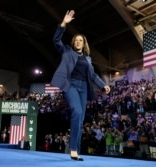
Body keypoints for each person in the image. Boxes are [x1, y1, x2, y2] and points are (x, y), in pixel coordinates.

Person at [51, 10, 111, 161]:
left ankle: (76, 150)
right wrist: (63, 23)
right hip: (70, 85)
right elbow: (56, 40)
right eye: (76, 40)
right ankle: (72, 149)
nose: (78, 41)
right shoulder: (66, 51)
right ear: (73, 42)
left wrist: (104, 85)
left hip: (84, 88)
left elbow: (93, 75)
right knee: (76, 112)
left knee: (80, 119)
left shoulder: (88, 59)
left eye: (80, 40)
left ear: (84, 44)